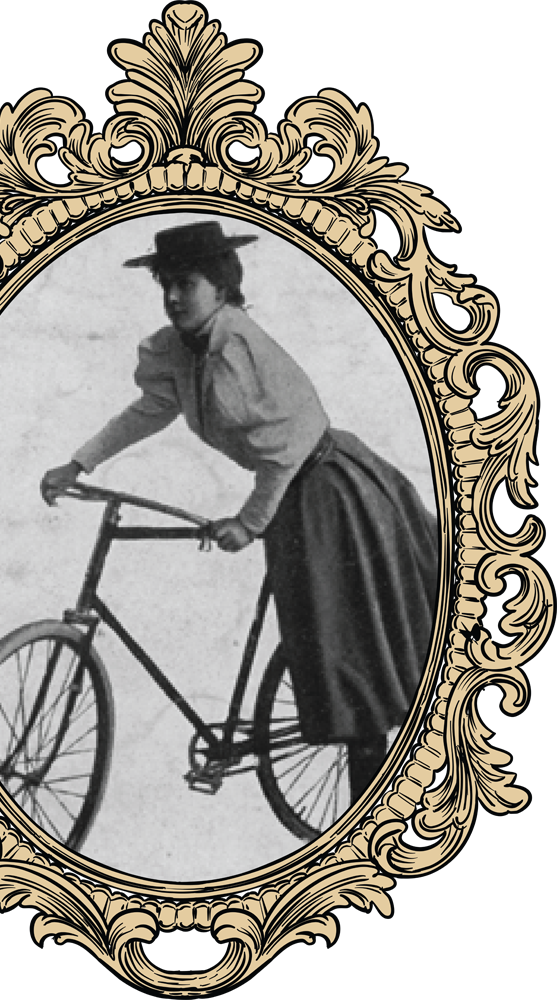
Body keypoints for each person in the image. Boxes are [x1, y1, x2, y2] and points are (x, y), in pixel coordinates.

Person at [41, 220, 438, 805]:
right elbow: (148, 410)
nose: (174, 297)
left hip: (330, 492)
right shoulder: (179, 349)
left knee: (346, 646)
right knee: (322, 642)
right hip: (295, 495)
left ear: (222, 286)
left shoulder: (240, 345)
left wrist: (248, 523)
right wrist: (80, 463)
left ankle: (370, 809)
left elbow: (288, 446)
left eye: (187, 283)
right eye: (166, 284)